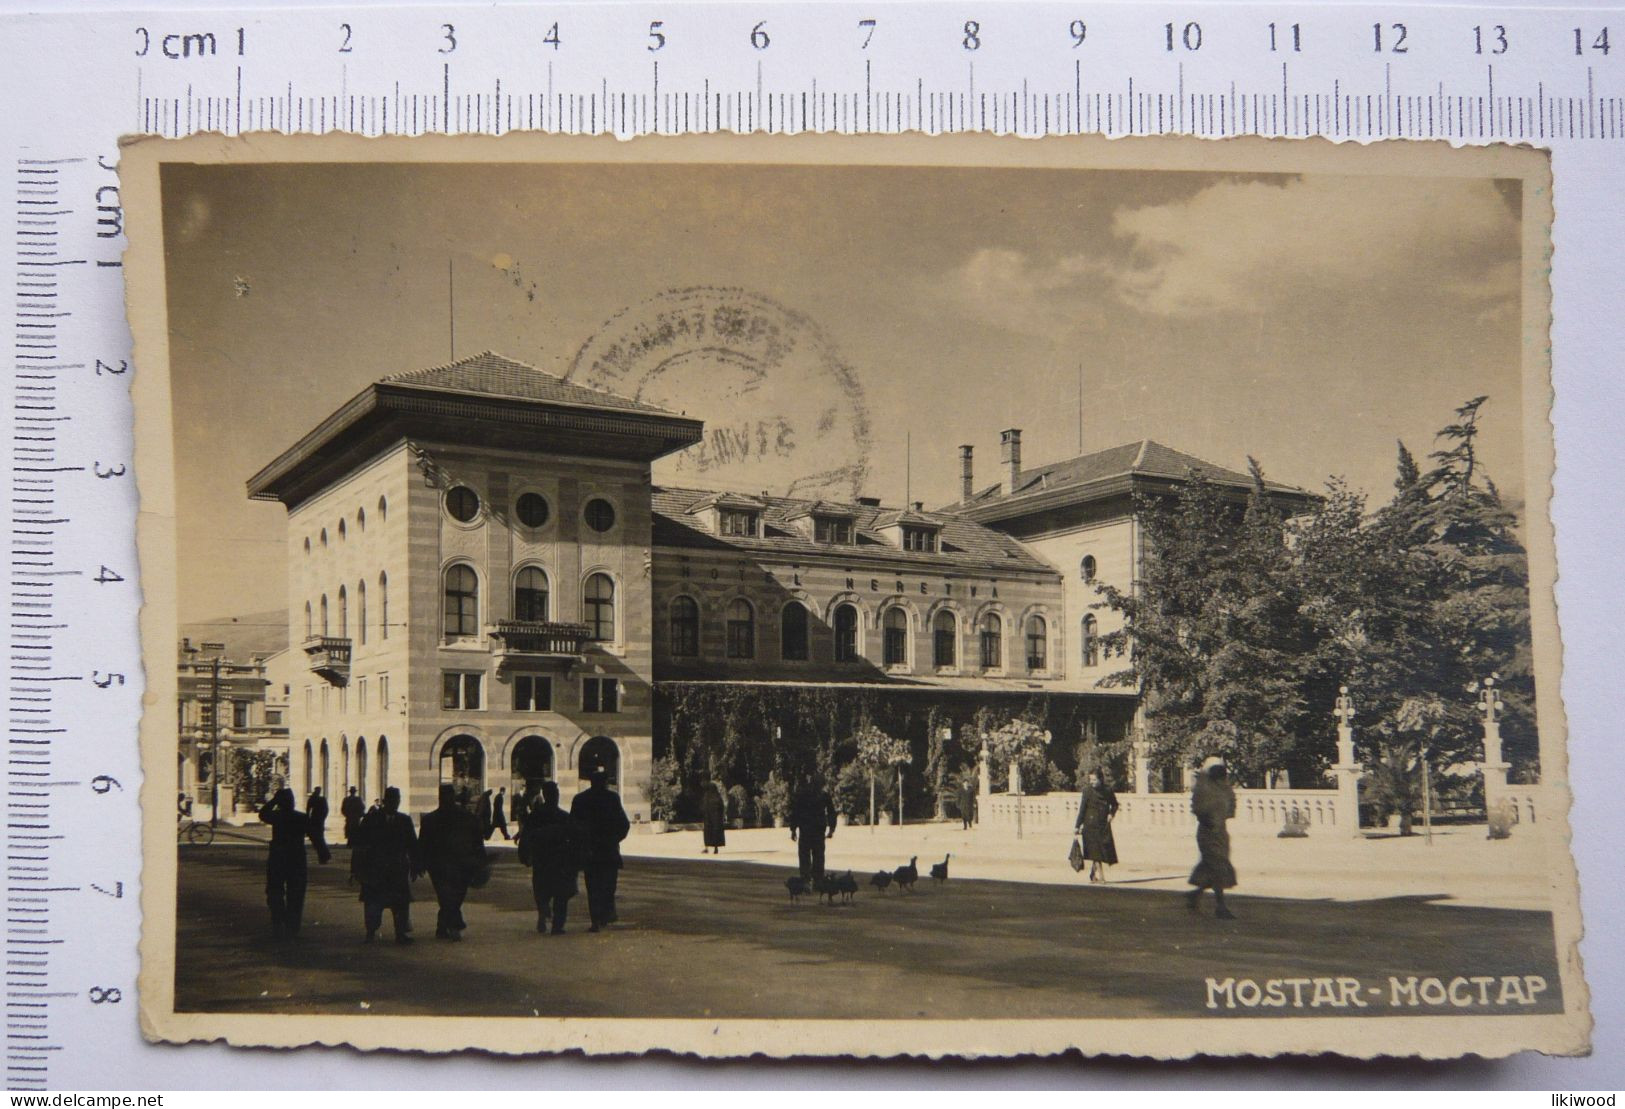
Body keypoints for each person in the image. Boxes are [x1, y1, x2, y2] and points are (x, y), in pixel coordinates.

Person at [257, 788, 331, 939]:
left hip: (278, 857)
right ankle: (292, 924)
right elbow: (314, 835)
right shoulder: (301, 818)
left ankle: (278, 920)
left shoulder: (277, 816)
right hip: (296, 858)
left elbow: (262, 813)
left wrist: (274, 801)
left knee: (275, 891)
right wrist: (322, 852)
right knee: (296, 893)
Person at [351, 786, 420, 943]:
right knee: (373, 903)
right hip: (375, 869)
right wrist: (356, 869)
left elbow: (412, 845)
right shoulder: (371, 819)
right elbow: (360, 845)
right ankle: (371, 932)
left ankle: (400, 933)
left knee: (401, 903)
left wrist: (416, 865)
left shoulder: (404, 820)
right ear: (385, 801)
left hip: (397, 868)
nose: (395, 803)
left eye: (397, 800)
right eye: (392, 800)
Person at [417, 784, 485, 940]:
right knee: (448, 896)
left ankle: (443, 925)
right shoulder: (432, 820)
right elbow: (423, 844)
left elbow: (477, 840)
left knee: (451, 896)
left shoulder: (462, 818)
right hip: (446, 865)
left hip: (455, 864)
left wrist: (480, 859)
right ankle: (455, 925)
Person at [569, 766, 630, 932]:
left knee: (593, 886)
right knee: (608, 885)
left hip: (590, 850)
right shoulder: (612, 798)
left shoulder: (580, 799)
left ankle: (596, 920)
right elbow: (624, 824)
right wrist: (614, 839)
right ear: (604, 782)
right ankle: (604, 915)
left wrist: (580, 845)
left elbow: (572, 825)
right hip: (608, 850)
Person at [520, 781, 579, 934]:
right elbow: (574, 839)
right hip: (559, 860)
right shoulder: (563, 816)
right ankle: (557, 925)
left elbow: (526, 837)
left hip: (542, 859)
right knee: (561, 894)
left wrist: (525, 855)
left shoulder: (535, 816)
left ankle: (543, 911)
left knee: (541, 889)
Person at [1186, 757, 1238, 919]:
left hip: (1220, 833)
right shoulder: (1204, 791)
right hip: (1208, 833)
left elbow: (1231, 810)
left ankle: (1196, 894)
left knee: (1214, 867)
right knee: (1217, 867)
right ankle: (1220, 906)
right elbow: (1198, 810)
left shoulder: (1224, 791)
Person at [1074, 768, 1120, 883]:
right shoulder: (1087, 791)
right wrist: (1077, 826)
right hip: (1090, 825)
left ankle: (1092, 874)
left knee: (1102, 850)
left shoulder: (1107, 790)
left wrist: (1111, 814)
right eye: (1091, 779)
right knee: (1096, 852)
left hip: (1103, 825)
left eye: (1094, 779)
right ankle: (1102, 877)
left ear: (1100, 779)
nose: (1092, 782)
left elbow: (1114, 804)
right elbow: (1082, 809)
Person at [788, 773, 836, 882]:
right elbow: (831, 812)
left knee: (805, 856)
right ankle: (817, 880)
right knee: (818, 856)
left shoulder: (803, 795)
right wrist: (832, 828)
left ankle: (805, 880)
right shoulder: (824, 796)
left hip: (806, 829)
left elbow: (796, 812)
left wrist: (793, 829)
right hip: (818, 829)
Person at [700, 780, 727, 855]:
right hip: (716, 819)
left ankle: (706, 848)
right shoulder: (717, 797)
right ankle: (716, 848)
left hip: (708, 819)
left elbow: (703, 807)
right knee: (715, 832)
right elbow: (722, 807)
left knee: (707, 833)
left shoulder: (706, 796)